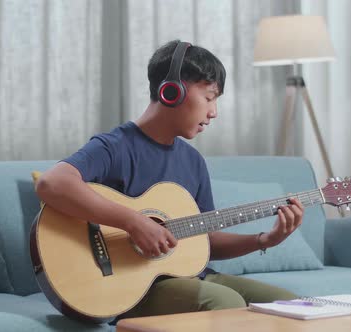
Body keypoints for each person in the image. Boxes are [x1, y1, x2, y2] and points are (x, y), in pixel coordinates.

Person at [35, 40, 304, 319]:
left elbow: (206, 240)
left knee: (292, 307)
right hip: (130, 288)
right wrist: (134, 222)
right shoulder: (115, 146)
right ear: (171, 91)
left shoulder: (193, 161)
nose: (214, 112)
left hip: (192, 279)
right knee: (223, 302)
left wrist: (264, 240)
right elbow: (52, 183)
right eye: (209, 97)